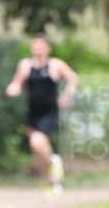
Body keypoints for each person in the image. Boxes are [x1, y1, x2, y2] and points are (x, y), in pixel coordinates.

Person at [5, 33, 79, 193]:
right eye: (35, 46)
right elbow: (17, 83)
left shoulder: (55, 65)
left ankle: (54, 161)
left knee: (37, 142)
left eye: (41, 46)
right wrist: (13, 89)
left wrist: (66, 96)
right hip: (32, 113)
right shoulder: (25, 65)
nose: (37, 49)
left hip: (49, 112)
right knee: (38, 154)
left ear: (48, 48)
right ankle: (53, 183)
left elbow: (73, 79)